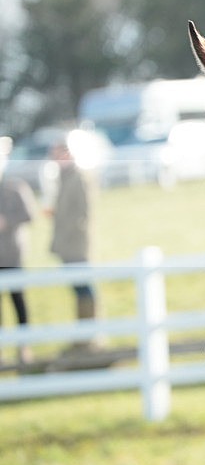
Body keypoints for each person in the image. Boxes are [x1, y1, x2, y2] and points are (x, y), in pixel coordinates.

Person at [48, 139, 101, 352]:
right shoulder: (64, 178)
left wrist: (67, 231)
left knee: (84, 289)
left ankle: (90, 337)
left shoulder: (78, 177)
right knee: (78, 289)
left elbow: (82, 212)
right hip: (67, 245)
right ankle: (84, 336)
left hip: (76, 244)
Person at [0, 137, 37, 365]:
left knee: (18, 301)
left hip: (12, 254)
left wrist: (6, 221)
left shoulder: (15, 186)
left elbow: (28, 214)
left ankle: (25, 347)